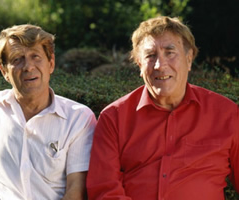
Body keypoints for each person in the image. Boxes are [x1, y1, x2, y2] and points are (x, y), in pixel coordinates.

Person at [86, 16, 239, 200]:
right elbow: (105, 190)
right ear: (140, 64)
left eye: (170, 52)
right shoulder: (114, 118)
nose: (160, 65)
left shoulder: (226, 114)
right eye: (150, 56)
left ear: (189, 59)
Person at [0, 24, 97, 200]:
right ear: (4, 71)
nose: (28, 66)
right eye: (17, 59)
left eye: (35, 57)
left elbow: (77, 190)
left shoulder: (78, 118)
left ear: (51, 63)